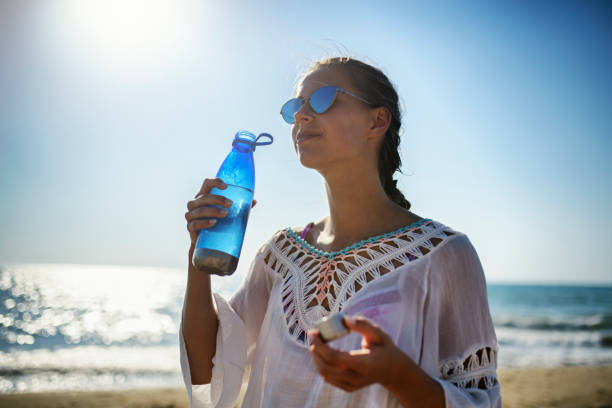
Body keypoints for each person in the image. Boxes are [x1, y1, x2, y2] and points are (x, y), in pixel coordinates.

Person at [180, 56, 501, 407]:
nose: (302, 115)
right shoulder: (280, 255)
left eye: (324, 99)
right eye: (296, 106)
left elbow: (480, 401)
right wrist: (199, 253)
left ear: (376, 122)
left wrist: (398, 375)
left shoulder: (444, 256)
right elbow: (206, 371)